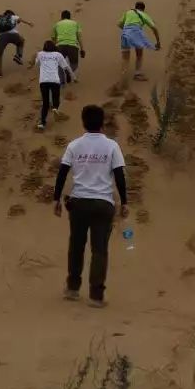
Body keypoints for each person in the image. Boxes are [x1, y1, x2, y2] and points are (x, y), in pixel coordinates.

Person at [52, 105, 129, 308]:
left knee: (76, 246)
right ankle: (96, 295)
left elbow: (62, 172)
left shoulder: (74, 145)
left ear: (83, 122)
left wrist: (56, 199)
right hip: (103, 203)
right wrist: (124, 202)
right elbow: (119, 175)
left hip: (79, 202)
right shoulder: (112, 146)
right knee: (99, 250)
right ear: (102, 122)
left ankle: (72, 288)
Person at [31, 40, 74, 131]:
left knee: (45, 103)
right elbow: (66, 67)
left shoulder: (40, 54)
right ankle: (55, 108)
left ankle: (42, 123)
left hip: (43, 81)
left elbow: (35, 64)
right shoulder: (58, 55)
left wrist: (36, 58)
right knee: (56, 98)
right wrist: (70, 76)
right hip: (55, 80)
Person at [117, 1, 161, 81]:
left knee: (125, 58)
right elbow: (154, 28)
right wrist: (158, 42)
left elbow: (119, 24)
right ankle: (137, 74)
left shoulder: (128, 12)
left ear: (135, 7)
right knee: (139, 54)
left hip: (125, 34)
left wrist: (127, 30)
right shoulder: (144, 14)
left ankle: (123, 77)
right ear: (143, 9)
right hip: (136, 33)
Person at [0, 9, 33, 77]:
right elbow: (20, 20)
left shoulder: (0, 18)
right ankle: (18, 56)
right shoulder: (13, 16)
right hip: (14, 35)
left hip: (2, 37)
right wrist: (29, 23)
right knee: (21, 41)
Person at [52, 10, 85, 79]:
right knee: (74, 65)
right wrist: (82, 49)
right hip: (73, 46)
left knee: (59, 64)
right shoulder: (75, 24)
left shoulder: (56, 24)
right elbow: (79, 38)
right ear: (70, 17)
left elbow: (53, 38)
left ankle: (62, 80)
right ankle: (69, 72)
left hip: (60, 46)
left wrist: (53, 50)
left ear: (61, 17)